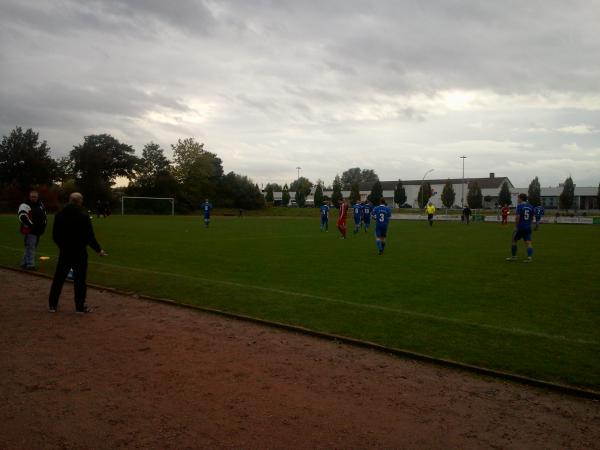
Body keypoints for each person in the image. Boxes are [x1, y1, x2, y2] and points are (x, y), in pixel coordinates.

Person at [48, 192, 108, 313]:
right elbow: (89, 236)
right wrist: (98, 249)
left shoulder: (59, 214)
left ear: (69, 200)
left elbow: (55, 235)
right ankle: (79, 307)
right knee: (80, 280)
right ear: (80, 201)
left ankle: (52, 305)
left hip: (65, 252)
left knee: (59, 278)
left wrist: (62, 246)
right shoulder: (83, 216)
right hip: (79, 252)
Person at [18, 190, 47, 270]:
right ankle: (30, 265)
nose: (34, 198)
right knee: (31, 247)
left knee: (30, 247)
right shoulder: (25, 205)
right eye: (32, 197)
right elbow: (22, 216)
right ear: (29, 196)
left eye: (35, 197)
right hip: (29, 230)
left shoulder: (40, 204)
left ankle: (24, 263)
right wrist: (32, 226)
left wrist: (44, 226)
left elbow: (44, 215)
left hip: (38, 230)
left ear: (38, 197)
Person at [506, 193, 534, 263]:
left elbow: (518, 217)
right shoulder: (530, 206)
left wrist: (516, 226)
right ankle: (529, 258)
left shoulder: (520, 206)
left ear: (521, 198)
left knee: (514, 241)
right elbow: (532, 217)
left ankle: (514, 257)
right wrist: (529, 224)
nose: (517, 199)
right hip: (528, 227)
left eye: (518, 198)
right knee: (528, 243)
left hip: (521, 227)